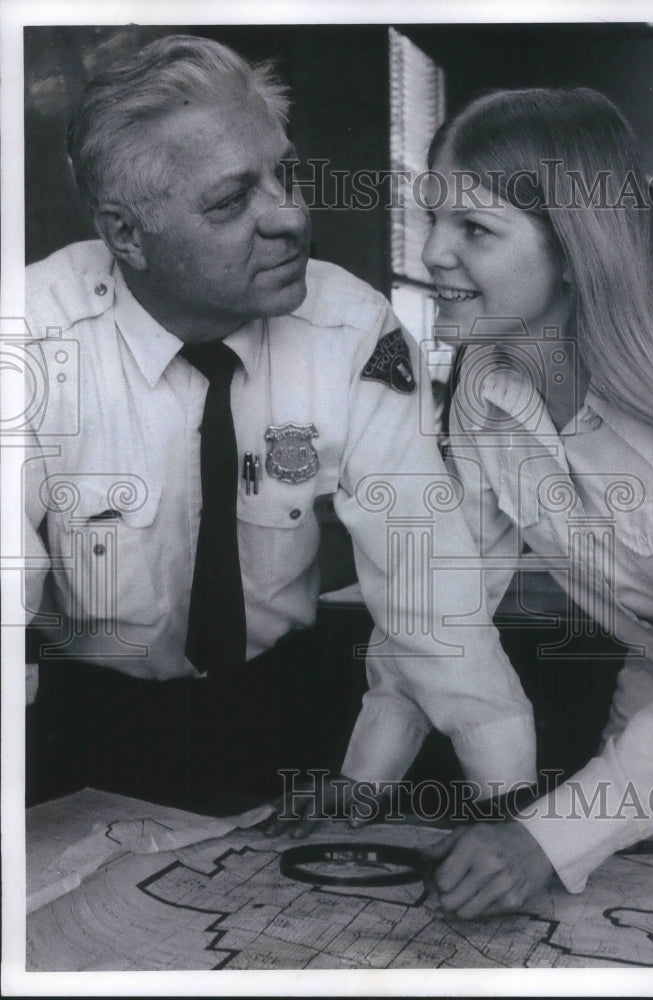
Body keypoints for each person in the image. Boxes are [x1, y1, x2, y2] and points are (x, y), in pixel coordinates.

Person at [23, 35, 537, 814]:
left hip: (284, 710)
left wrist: (511, 803)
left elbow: (427, 586)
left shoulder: (352, 329)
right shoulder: (26, 339)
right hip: (83, 722)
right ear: (126, 233)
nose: (290, 217)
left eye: (285, 173)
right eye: (232, 202)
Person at [419, 87, 653, 918]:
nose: (435, 252)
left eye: (473, 229)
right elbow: (446, 609)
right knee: (644, 889)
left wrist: (539, 840)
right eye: (432, 217)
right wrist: (360, 785)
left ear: (575, 251)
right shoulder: (482, 380)